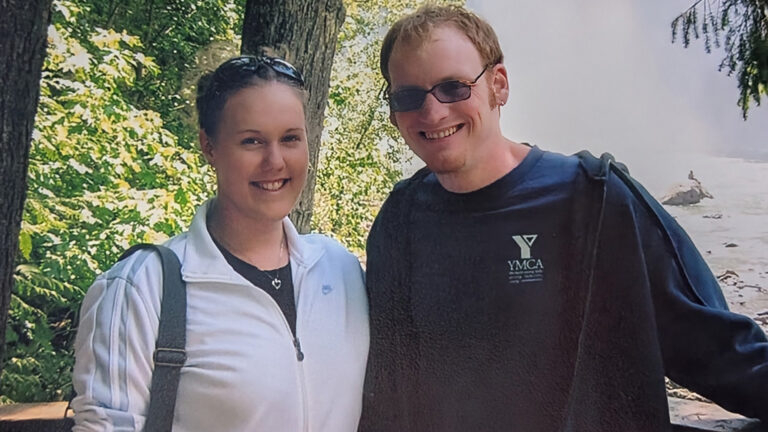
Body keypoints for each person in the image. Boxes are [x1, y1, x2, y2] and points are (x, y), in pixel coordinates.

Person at [360, 5, 768, 431]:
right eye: (409, 97)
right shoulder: (400, 222)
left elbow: (716, 348)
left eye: (453, 87)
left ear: (498, 85)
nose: (433, 112)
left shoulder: (595, 201)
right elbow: (390, 385)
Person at [71, 55, 369, 431]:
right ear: (209, 147)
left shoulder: (340, 270)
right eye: (252, 141)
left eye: (290, 138)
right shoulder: (140, 289)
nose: (275, 161)